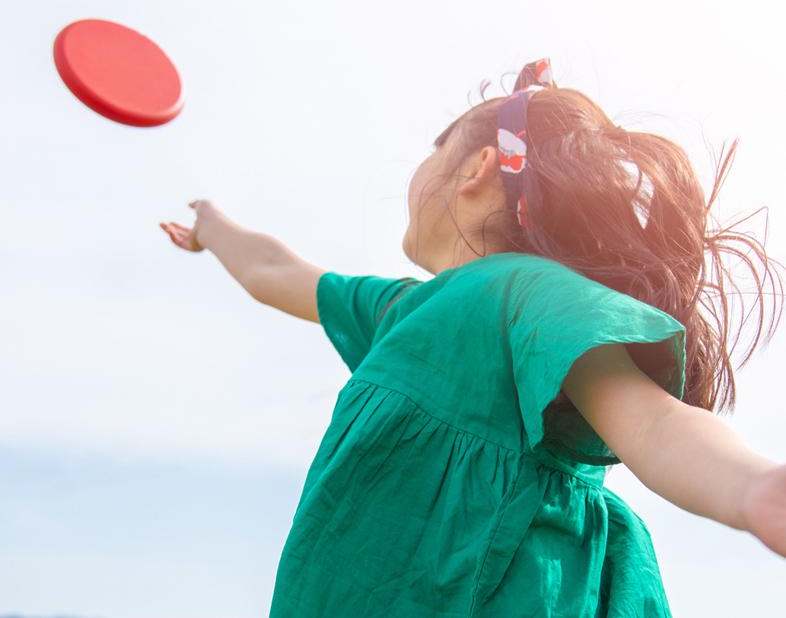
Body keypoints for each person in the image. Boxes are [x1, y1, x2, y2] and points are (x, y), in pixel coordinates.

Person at [160, 58, 786, 617]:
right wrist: (209, 226)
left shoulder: (531, 291)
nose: (418, 169)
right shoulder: (405, 311)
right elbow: (275, 274)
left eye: (436, 149)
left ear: (478, 167)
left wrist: (755, 488)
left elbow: (652, 423)